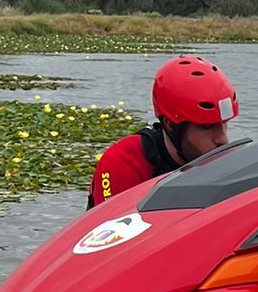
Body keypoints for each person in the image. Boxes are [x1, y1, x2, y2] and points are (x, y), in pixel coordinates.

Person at [87, 55, 239, 207]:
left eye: (224, 123)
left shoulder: (220, 160)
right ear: (171, 125)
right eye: (206, 127)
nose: (223, 140)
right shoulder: (123, 160)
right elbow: (114, 227)